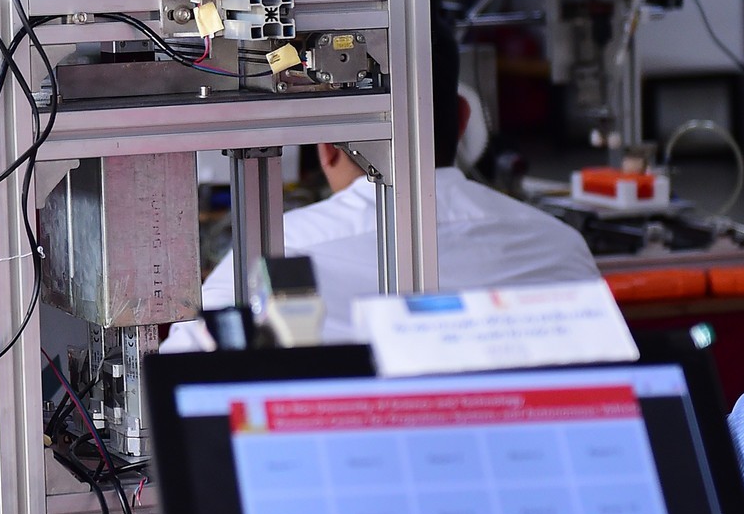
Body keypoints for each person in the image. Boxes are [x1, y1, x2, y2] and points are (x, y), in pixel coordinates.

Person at [169, 19, 600, 349]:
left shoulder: (268, 261)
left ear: (326, 146)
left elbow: (174, 397)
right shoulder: (559, 246)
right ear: (463, 120)